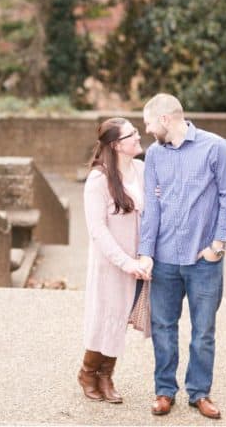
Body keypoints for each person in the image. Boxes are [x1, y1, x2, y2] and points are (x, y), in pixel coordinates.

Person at [138, 93, 226, 420]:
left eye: (149, 123)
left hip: (203, 261)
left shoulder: (216, 148)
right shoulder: (154, 155)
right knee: (163, 326)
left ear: (165, 120)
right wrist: (146, 252)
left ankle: (199, 392)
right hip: (165, 259)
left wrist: (217, 245)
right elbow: (152, 208)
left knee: (203, 330)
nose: (147, 130)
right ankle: (164, 390)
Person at [79, 117, 153, 404]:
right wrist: (126, 262)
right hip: (112, 264)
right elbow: (97, 231)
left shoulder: (143, 170)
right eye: (131, 134)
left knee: (120, 320)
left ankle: (106, 375)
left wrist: (146, 257)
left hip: (139, 263)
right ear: (116, 145)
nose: (138, 136)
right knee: (104, 319)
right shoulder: (99, 180)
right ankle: (88, 373)